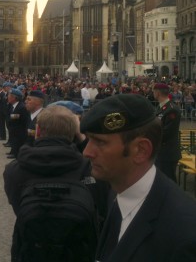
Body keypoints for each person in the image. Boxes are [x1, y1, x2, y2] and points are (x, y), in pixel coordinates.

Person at [81, 94, 196, 261]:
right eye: (89, 140)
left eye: (100, 142)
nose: (86, 152)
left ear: (141, 150)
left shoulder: (184, 234)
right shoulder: (117, 193)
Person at [4, 105, 98, 262]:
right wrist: (81, 138)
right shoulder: (90, 168)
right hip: (78, 249)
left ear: (38, 131)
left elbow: (16, 202)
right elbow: (99, 203)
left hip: (31, 247)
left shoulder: (14, 169)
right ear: (74, 133)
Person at [152, 82, 181, 182]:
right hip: (160, 152)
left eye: (153, 91)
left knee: (169, 182)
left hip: (168, 153)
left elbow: (167, 132)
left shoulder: (172, 110)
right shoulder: (161, 107)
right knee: (161, 182)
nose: (153, 93)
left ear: (158, 93)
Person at [6, 88, 29, 159]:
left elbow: (17, 118)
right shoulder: (13, 105)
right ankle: (13, 151)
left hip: (19, 130)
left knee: (17, 141)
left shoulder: (21, 107)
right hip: (14, 129)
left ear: (15, 98)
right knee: (14, 140)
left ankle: (16, 153)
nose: (8, 97)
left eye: (9, 96)